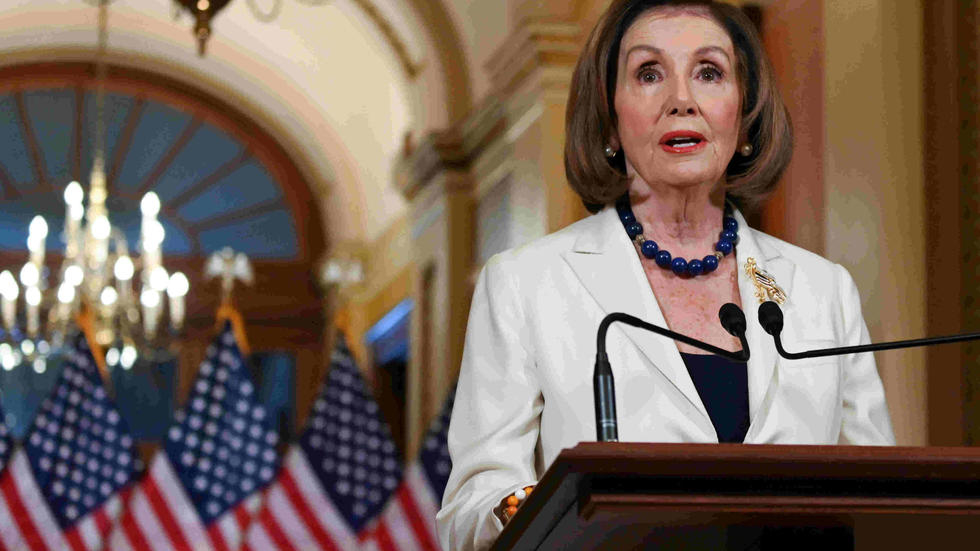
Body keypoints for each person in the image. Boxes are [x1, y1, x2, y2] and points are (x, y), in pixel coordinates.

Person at [436, 1, 895, 549]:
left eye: (709, 72)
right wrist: (541, 506)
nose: (682, 101)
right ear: (609, 119)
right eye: (649, 73)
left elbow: (880, 501)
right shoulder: (525, 284)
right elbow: (471, 506)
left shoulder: (824, 292)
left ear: (745, 117)